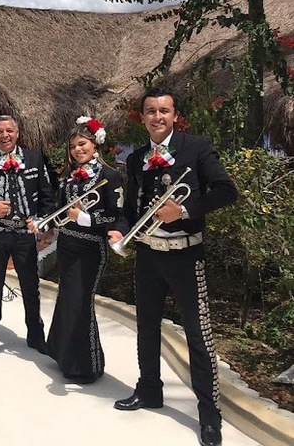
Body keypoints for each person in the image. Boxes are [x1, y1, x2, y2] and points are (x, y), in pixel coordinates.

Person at [111, 88, 237, 446]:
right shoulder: (136, 158)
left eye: (163, 111)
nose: (157, 117)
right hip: (149, 255)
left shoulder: (196, 146)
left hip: (185, 255)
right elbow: (130, 209)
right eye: (151, 111)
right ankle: (149, 389)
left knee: (199, 337)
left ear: (174, 114)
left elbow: (227, 191)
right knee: (146, 328)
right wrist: (121, 227)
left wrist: (183, 211)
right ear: (143, 117)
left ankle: (210, 416)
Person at [33, 116, 125, 384]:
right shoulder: (68, 177)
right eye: (73, 146)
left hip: (90, 249)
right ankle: (63, 355)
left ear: (95, 145)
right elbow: (58, 210)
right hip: (68, 246)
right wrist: (43, 222)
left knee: (81, 302)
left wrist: (85, 219)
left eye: (82, 144)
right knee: (66, 300)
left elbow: (118, 217)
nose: (77, 150)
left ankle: (87, 366)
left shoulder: (109, 176)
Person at [0, 115, 54, 356]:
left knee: (30, 285)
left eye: (9, 131)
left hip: (25, 234)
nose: (5, 135)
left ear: (17, 133)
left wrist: (41, 221)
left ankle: (36, 335)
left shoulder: (35, 158)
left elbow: (47, 194)